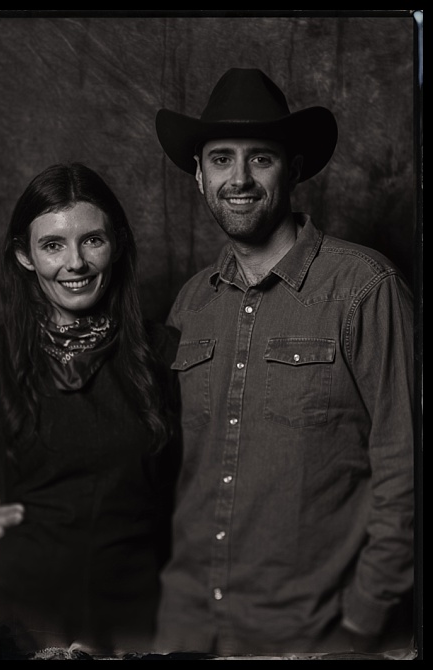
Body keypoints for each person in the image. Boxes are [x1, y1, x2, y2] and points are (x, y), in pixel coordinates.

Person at [153, 68, 414, 655]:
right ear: (198, 174)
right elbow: (170, 471)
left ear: (294, 168)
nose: (238, 179)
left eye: (260, 159)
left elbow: (406, 468)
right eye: (221, 159)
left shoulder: (365, 289)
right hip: (189, 627)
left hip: (316, 635)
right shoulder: (190, 303)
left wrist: (363, 623)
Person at [0, 163, 179, 655]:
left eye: (93, 241)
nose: (75, 263)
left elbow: (194, 504)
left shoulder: (167, 353)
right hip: (20, 631)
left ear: (117, 244)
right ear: (24, 255)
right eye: (53, 245)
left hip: (138, 628)